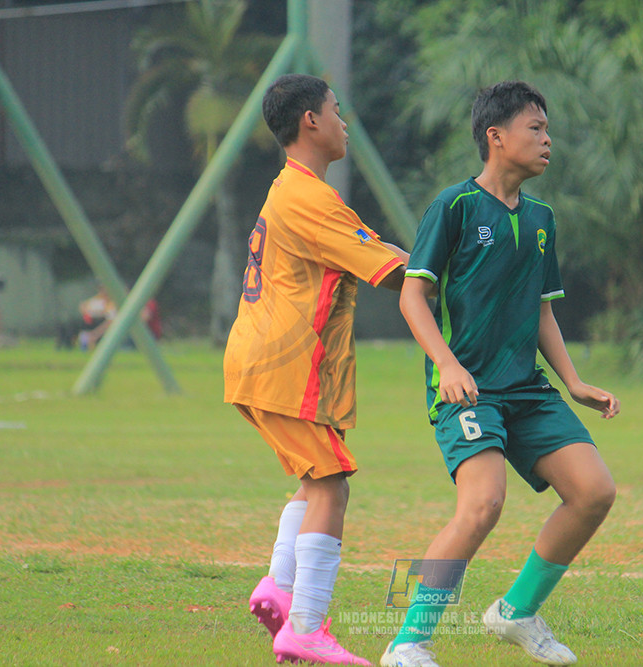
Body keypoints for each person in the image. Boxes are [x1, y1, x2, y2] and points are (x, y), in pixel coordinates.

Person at [380, 81, 619, 667]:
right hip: (467, 391)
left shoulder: (541, 218)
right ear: (496, 136)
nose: (547, 139)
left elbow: (541, 310)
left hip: (526, 388)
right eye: (535, 128)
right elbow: (413, 298)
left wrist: (573, 382)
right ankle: (406, 641)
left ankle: (516, 612)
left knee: (594, 492)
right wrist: (448, 364)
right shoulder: (454, 207)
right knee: (483, 505)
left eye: (547, 129)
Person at [223, 73, 408, 666]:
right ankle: (305, 626)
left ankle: (279, 589)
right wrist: (467, 275)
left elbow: (378, 252)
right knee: (332, 484)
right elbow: (393, 271)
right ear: (310, 121)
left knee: (313, 479)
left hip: (264, 363)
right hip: (285, 367)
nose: (343, 122)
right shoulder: (309, 198)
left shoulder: (296, 191)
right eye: (336, 110)